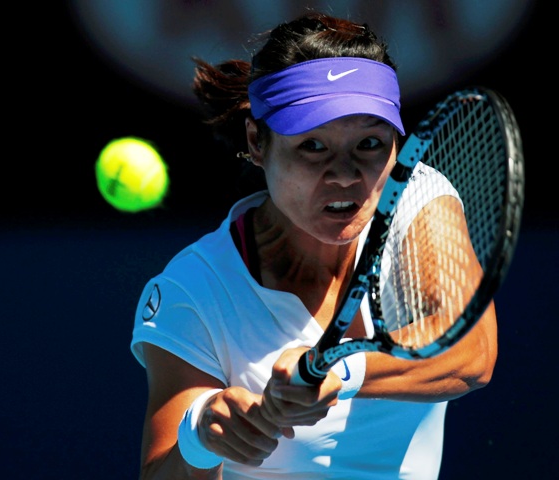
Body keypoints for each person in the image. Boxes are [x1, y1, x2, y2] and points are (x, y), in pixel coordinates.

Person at [130, 11, 498, 480]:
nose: (345, 175)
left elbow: (471, 352)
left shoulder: (415, 199)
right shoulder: (196, 289)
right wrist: (200, 439)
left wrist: (339, 372)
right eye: (313, 147)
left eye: (369, 143)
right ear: (256, 142)